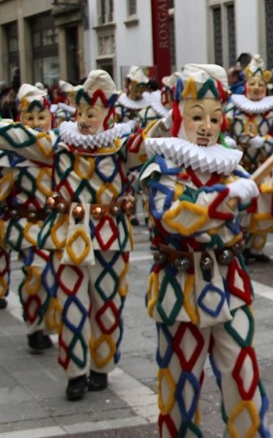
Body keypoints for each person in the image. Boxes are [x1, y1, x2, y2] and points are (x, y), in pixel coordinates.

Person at [140, 64, 273, 437]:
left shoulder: (231, 168)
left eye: (214, 117)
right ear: (179, 118)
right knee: (180, 385)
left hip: (230, 287)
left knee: (244, 377)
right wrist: (225, 200)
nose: (207, 126)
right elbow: (175, 217)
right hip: (180, 290)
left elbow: (260, 219)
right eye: (197, 117)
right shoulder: (161, 170)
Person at [0, 70, 139, 400]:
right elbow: (17, 136)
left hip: (110, 238)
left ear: (108, 115)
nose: (84, 120)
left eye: (92, 113)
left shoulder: (123, 147)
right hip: (67, 237)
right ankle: (76, 372)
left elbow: (163, 144)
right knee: (71, 305)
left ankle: (101, 367)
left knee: (106, 306)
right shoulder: (59, 145)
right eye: (80, 113)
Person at [0, 84, 59, 352]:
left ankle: (45, 325)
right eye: (29, 118)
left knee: (55, 279)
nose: (36, 124)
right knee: (37, 272)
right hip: (25, 225)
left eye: (41, 117)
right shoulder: (9, 154)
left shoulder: (60, 147)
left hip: (56, 226)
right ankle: (35, 327)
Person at [226, 55, 273, 263]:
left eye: (260, 84)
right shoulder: (233, 110)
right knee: (241, 208)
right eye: (252, 84)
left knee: (262, 208)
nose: (257, 88)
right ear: (245, 86)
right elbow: (222, 131)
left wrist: (265, 141)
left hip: (263, 168)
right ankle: (239, 245)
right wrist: (229, 143)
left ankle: (257, 248)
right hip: (239, 167)